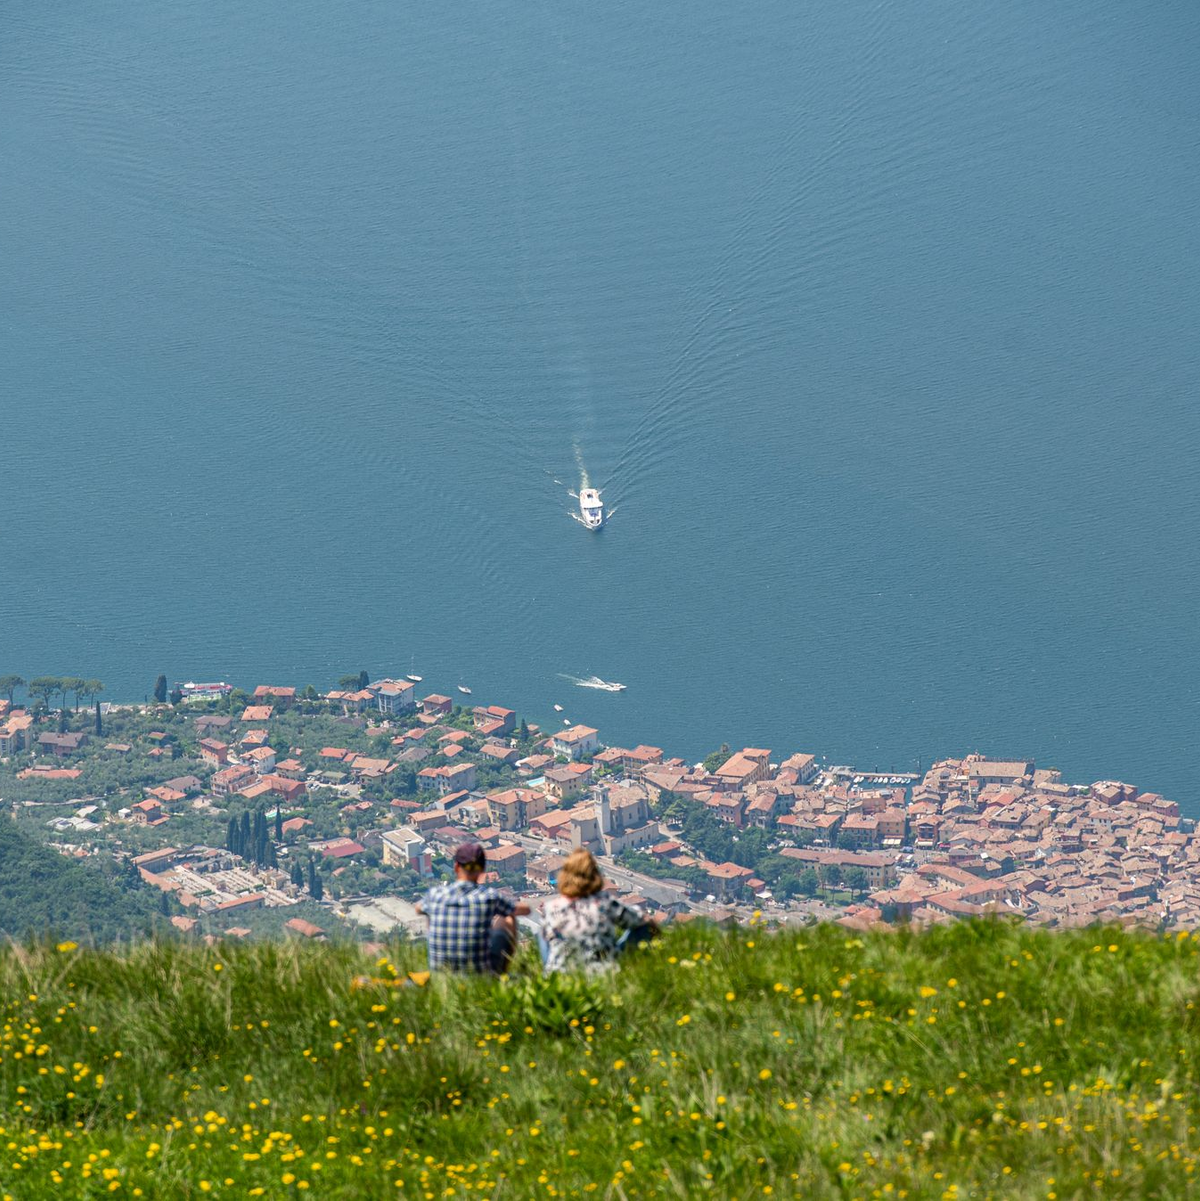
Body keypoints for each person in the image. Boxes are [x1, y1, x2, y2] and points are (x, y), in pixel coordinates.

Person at [416, 843, 531, 975]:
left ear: (456, 867)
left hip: (441, 979)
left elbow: (418, 908)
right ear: (482, 870)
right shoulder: (489, 897)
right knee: (508, 918)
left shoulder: (435, 895)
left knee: (430, 913)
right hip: (480, 977)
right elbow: (526, 909)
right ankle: (501, 974)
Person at [538, 848, 657, 974]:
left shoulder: (551, 907)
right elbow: (641, 920)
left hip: (561, 977)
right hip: (602, 972)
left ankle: (550, 969)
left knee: (541, 933)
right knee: (644, 927)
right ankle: (650, 958)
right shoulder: (604, 903)